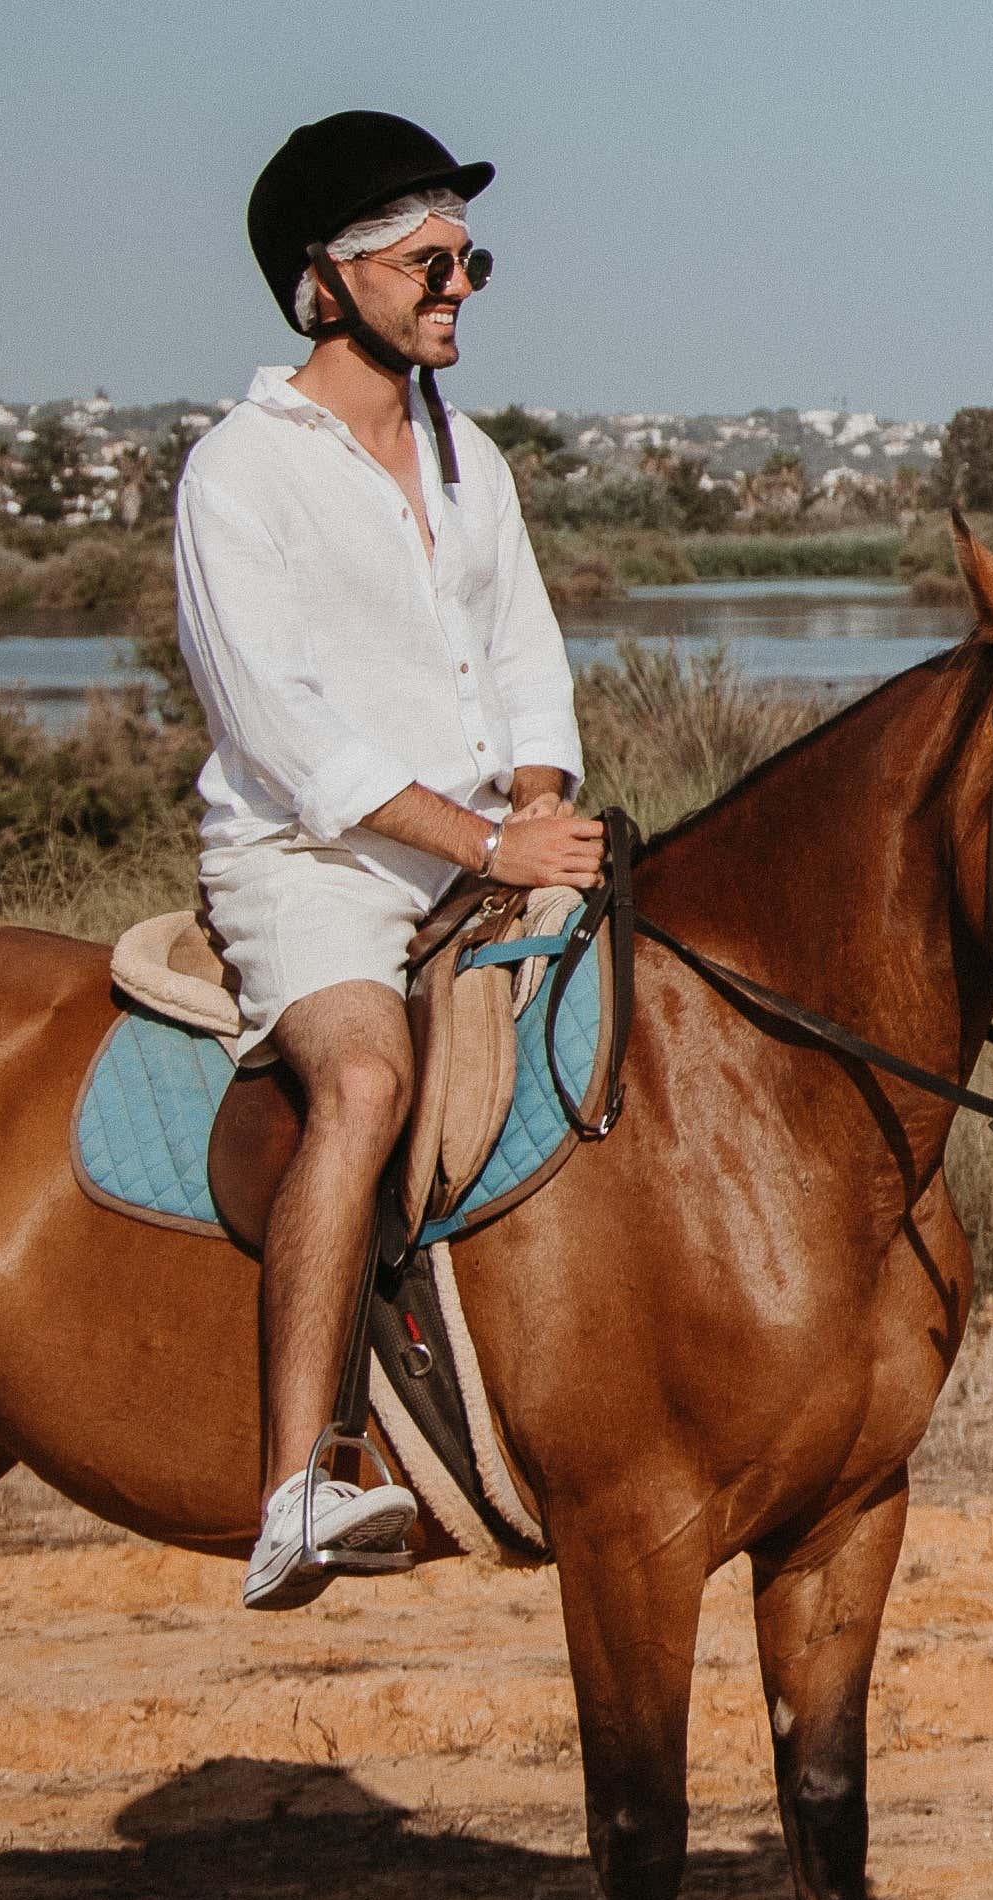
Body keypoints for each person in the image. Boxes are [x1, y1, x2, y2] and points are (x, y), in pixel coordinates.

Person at [173, 111, 607, 1606]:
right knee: (363, 1075)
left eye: (469, 256)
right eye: (431, 260)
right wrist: (487, 836)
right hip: (319, 868)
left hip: (487, 850)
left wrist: (537, 818)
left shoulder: (467, 453)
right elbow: (288, 736)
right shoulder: (239, 472)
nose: (460, 283)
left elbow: (527, 660)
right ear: (325, 283)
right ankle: (300, 1479)